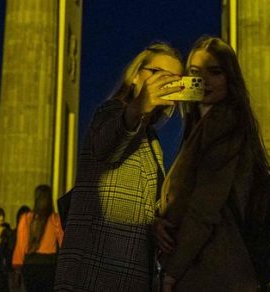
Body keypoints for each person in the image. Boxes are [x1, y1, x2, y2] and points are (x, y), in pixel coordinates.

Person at [54, 41, 184, 291]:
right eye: (158, 73)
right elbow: (107, 145)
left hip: (130, 272)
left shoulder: (152, 140)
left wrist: (154, 225)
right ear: (135, 77)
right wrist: (137, 108)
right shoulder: (111, 111)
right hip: (93, 271)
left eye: (175, 79)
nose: (166, 83)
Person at [158, 35, 270, 292]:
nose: (203, 81)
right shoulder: (205, 124)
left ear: (229, 78)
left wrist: (171, 272)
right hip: (215, 268)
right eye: (194, 72)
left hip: (211, 270)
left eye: (214, 72)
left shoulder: (222, 122)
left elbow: (204, 208)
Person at [10, 186, 62, 292]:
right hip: (49, 265)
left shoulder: (26, 218)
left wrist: (17, 269)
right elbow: (64, 243)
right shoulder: (55, 219)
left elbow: (21, 245)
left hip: (30, 265)